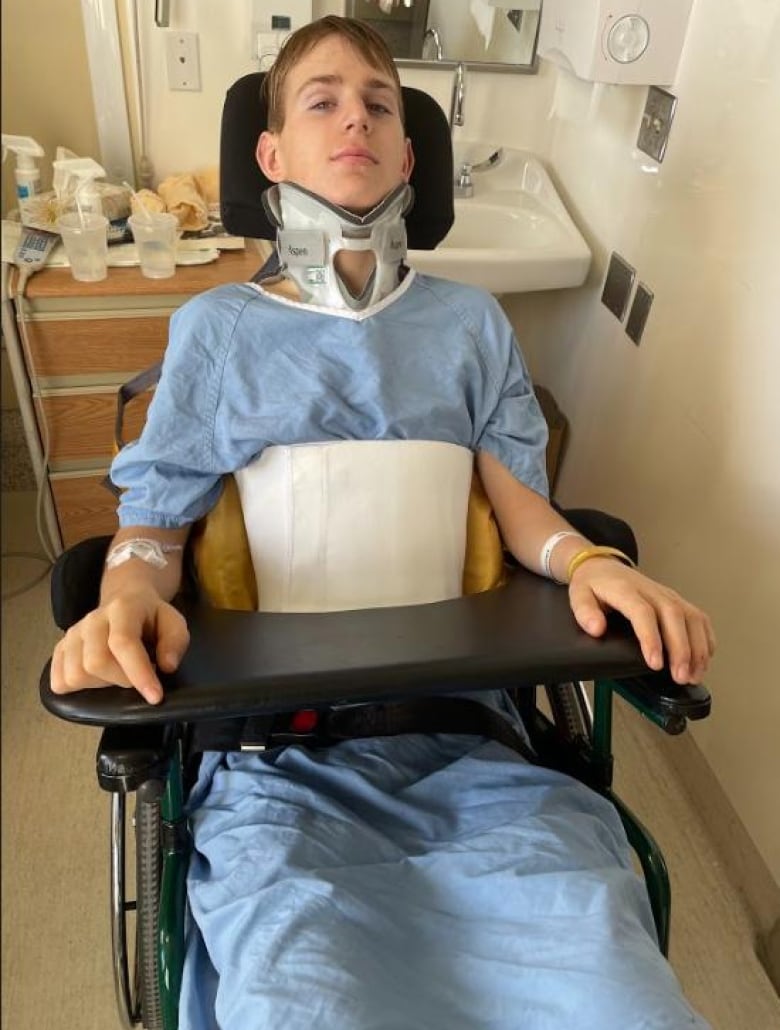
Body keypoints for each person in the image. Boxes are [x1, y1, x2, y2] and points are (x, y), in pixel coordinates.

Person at [50, 16, 714, 1030]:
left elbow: (518, 505)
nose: (354, 115)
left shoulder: (470, 325)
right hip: (276, 765)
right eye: (321, 99)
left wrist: (588, 559)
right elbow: (155, 526)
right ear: (271, 158)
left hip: (470, 744)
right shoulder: (218, 334)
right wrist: (129, 595)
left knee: (618, 994)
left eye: (378, 102)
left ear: (410, 154)